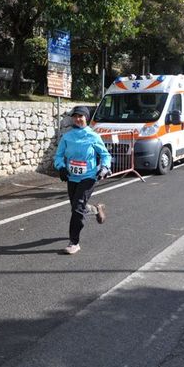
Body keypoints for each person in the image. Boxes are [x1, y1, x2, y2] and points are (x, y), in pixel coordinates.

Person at [54, 106, 112, 255]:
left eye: (81, 116)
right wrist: (61, 167)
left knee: (77, 208)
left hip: (89, 177)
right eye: (75, 116)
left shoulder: (93, 136)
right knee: (76, 206)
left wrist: (104, 168)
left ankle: (74, 242)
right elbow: (59, 156)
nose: (78, 119)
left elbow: (105, 155)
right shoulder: (67, 137)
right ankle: (95, 209)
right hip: (72, 177)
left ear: (86, 118)